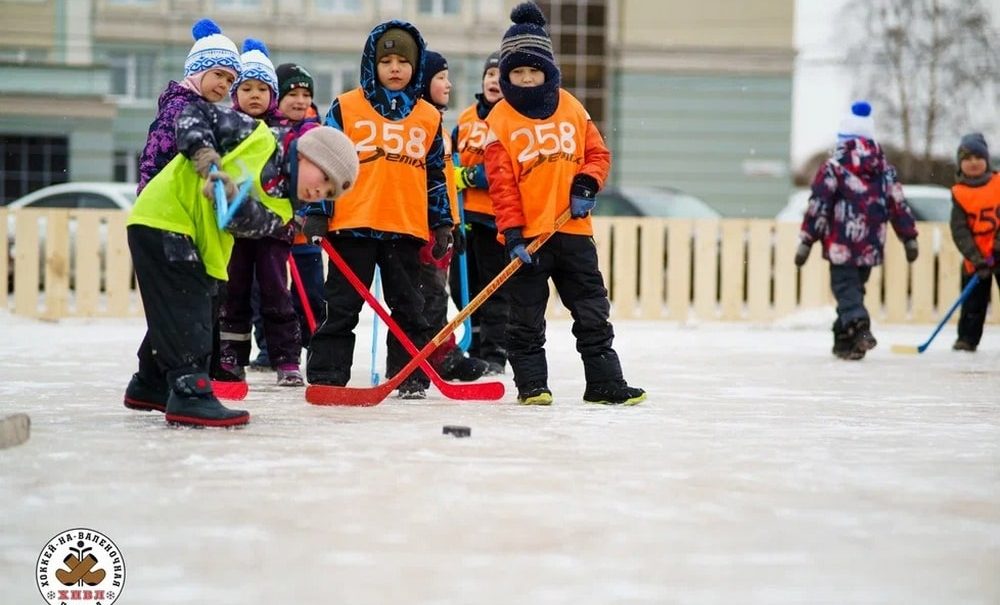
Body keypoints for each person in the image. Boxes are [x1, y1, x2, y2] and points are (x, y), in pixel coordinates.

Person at [122, 100, 358, 427]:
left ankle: (151, 382)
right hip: (165, 218)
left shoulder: (284, 210)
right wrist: (205, 156)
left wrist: (232, 198)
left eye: (329, 193)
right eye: (325, 178)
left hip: (200, 247)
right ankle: (190, 390)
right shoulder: (254, 135)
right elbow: (193, 115)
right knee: (187, 308)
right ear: (307, 155)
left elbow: (247, 222)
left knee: (195, 311)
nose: (320, 191)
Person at [483, 3, 645, 406]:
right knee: (525, 320)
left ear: (547, 72)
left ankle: (605, 383)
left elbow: (598, 155)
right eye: (516, 72)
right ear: (506, 76)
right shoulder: (499, 121)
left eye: (532, 71)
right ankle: (533, 386)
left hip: (572, 231)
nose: (525, 79)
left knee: (591, 310)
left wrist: (587, 184)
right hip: (529, 239)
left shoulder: (572, 107)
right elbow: (501, 186)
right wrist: (513, 234)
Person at [304, 21, 452, 398]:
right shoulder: (347, 106)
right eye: (386, 60)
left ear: (415, 66)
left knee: (409, 308)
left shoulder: (428, 116)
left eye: (403, 60)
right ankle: (327, 377)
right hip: (352, 224)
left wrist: (442, 222)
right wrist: (318, 211)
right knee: (341, 307)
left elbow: (435, 174)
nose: (395, 68)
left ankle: (409, 379)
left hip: (404, 227)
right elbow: (322, 158)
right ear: (373, 63)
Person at [795, 101, 919, 359]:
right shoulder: (884, 170)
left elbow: (819, 205)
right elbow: (898, 203)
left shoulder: (834, 168)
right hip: (870, 246)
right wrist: (908, 237)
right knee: (853, 292)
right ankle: (845, 343)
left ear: (843, 139)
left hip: (841, 245)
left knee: (846, 292)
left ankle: (860, 327)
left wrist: (807, 240)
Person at [221, 39, 305, 386]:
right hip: (235, 227)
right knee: (233, 293)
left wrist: (299, 213)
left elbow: (298, 177)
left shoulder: (284, 133)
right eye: (246, 88)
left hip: (273, 227)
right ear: (235, 92)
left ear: (273, 95)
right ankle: (230, 357)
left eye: (262, 89)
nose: (254, 95)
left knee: (276, 291)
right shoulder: (225, 128)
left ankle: (286, 358)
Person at [412, 50, 489, 382]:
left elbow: (445, 180)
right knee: (427, 294)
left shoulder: (440, 128)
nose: (449, 84)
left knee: (434, 293)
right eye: (441, 77)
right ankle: (439, 355)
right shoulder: (418, 125)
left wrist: (454, 222)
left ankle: (439, 353)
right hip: (420, 224)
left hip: (442, 225)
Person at [451, 50, 510, 376]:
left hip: (495, 218)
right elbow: (453, 155)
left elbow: (507, 166)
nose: (493, 81)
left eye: (500, 76)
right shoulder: (466, 118)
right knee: (462, 287)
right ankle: (472, 346)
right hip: (466, 217)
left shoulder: (510, 119)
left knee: (493, 288)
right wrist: (452, 174)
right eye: (490, 74)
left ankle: (495, 352)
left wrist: (473, 177)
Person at [137, 18, 240, 194]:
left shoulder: (209, 113)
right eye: (218, 74)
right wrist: (149, 194)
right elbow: (156, 155)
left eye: (230, 80)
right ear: (198, 72)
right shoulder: (178, 108)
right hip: (167, 197)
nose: (224, 84)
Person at [273, 62, 327, 360]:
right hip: (274, 232)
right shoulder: (268, 132)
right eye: (292, 94)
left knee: (313, 293)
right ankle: (271, 349)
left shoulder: (316, 134)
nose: (300, 100)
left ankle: (312, 343)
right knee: (271, 294)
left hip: (305, 234)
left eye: (306, 94)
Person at [949, 133, 1000, 352]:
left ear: (986, 160)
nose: (973, 162)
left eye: (978, 157)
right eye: (967, 158)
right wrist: (976, 258)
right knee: (973, 302)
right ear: (961, 163)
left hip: (998, 251)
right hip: (977, 258)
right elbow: (959, 230)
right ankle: (967, 339)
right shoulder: (960, 193)